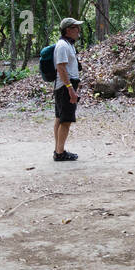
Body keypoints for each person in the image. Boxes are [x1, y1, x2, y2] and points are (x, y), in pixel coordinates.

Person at [53, 17, 83, 162]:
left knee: (60, 118)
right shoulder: (62, 46)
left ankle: (59, 149)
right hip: (65, 87)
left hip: (65, 87)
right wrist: (70, 89)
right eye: (76, 27)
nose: (78, 30)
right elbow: (61, 68)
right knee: (66, 121)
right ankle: (60, 153)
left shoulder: (68, 45)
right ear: (68, 30)